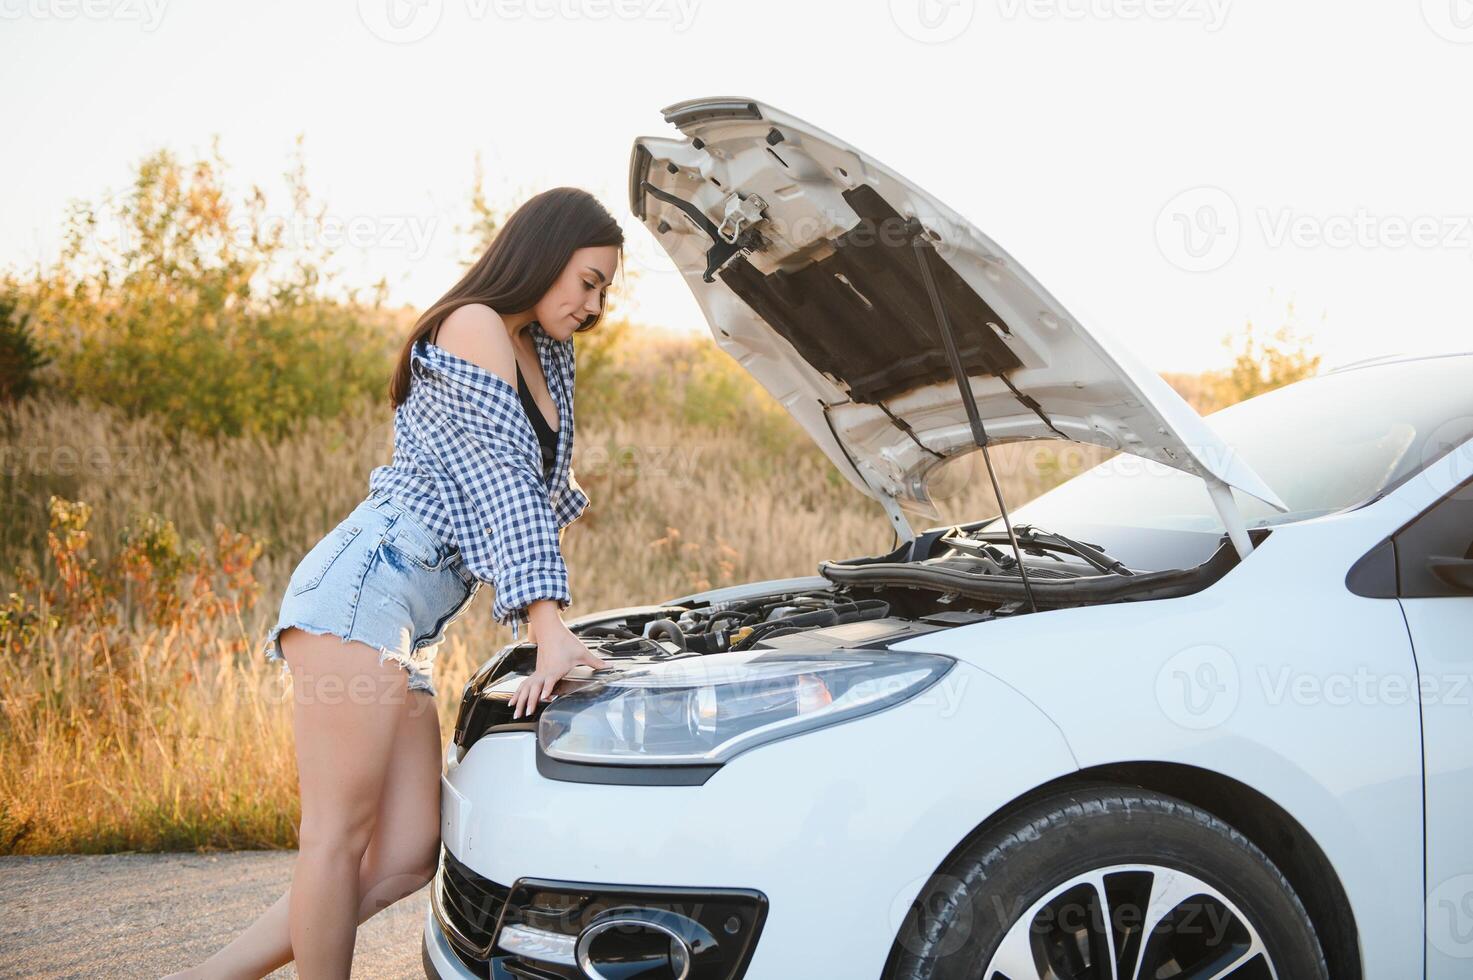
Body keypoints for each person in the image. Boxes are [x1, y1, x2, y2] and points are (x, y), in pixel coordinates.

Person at [167, 187, 620, 979]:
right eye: (586, 280)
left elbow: (538, 492)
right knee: (336, 839)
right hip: (364, 592)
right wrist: (547, 623)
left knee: (407, 853)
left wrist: (550, 615)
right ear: (543, 256)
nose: (594, 303)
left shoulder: (546, 353)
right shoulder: (474, 323)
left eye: (606, 289)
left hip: (411, 625)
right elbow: (499, 477)